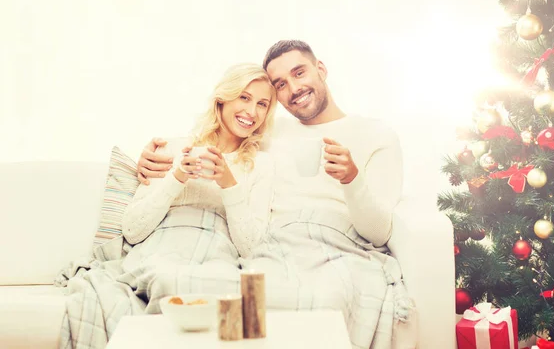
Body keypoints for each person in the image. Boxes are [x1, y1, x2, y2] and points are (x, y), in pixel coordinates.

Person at [138, 41, 414, 349]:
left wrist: (352, 179)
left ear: (320, 69)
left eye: (299, 73)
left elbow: (378, 233)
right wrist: (153, 159)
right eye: (280, 84)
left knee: (328, 298)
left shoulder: (376, 135)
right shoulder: (268, 131)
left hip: (341, 246)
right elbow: (219, 134)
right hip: (274, 247)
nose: (293, 88)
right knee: (240, 303)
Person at [58, 63, 277, 349]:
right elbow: (133, 231)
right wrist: (177, 178)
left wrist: (228, 183)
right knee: (167, 278)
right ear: (222, 99)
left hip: (216, 255)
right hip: (162, 250)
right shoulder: (171, 149)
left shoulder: (261, 164)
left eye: (262, 104)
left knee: (217, 285)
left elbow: (251, 248)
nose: (252, 112)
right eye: (244, 98)